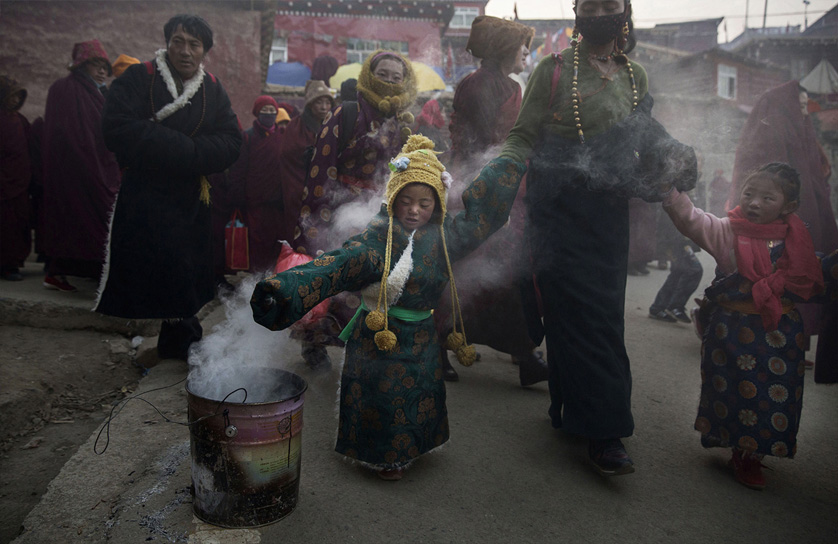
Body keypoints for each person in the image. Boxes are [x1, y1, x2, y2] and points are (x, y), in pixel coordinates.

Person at [485, 0, 697, 475]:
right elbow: (523, 135)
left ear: (625, 11)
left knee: (600, 317)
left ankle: (587, 421)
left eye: (610, 4)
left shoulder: (635, 74)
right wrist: (499, 169)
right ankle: (590, 422)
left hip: (607, 212)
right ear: (577, 10)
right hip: (555, 208)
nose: (600, 11)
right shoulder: (552, 69)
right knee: (569, 312)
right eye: (591, 4)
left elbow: (644, 130)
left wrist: (673, 151)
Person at [251, 135, 526, 480]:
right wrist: (284, 290)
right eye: (406, 201)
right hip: (378, 336)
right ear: (393, 198)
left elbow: (482, 214)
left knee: (420, 395)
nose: (414, 210)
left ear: (437, 204)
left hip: (422, 335)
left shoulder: (445, 237)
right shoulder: (375, 238)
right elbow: (337, 265)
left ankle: (418, 445)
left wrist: (513, 157)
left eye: (424, 204)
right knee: (382, 400)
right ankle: (383, 457)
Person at [661, 162, 835, 490]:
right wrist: (668, 191)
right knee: (735, 393)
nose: (753, 202)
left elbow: (814, 278)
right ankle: (738, 450)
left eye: (768, 198)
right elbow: (692, 219)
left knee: (771, 399)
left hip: (781, 335)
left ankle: (752, 457)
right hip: (731, 332)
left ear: (789, 206)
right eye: (749, 193)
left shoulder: (798, 241)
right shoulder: (728, 230)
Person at [95, 14, 242, 361]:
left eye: (194, 44)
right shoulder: (138, 78)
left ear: (205, 50)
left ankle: (181, 341)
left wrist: (190, 154)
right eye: (178, 41)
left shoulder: (213, 89)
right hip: (145, 192)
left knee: (185, 267)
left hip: (190, 195)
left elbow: (231, 142)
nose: (185, 51)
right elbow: (116, 128)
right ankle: (176, 340)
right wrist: (184, 148)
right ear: (167, 43)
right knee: (154, 267)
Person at [290, 51, 417, 370]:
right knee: (327, 277)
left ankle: (360, 341)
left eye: (395, 76)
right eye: (383, 74)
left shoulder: (403, 122)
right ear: (369, 75)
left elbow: (398, 167)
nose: (388, 81)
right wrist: (317, 214)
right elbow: (322, 162)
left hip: (374, 211)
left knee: (370, 281)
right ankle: (314, 342)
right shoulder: (345, 113)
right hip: (334, 208)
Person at [438, 15, 547, 384]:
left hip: (506, 187)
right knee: (469, 270)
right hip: (479, 187)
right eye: (524, 47)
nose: (528, 55)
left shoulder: (506, 84)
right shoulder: (481, 84)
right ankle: (437, 344)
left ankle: (522, 351)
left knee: (505, 272)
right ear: (506, 50)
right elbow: (481, 144)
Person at [728, 81, 838, 375]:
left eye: (806, 108)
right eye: (800, 107)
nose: (805, 114)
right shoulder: (773, 129)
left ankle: (795, 343)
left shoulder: (802, 133)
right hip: (775, 221)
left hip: (802, 216)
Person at [41, 39, 121, 292]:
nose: (100, 71)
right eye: (94, 65)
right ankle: (57, 273)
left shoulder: (99, 93)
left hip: (100, 162)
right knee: (79, 219)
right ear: (80, 66)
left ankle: (92, 272)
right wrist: (90, 162)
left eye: (103, 66)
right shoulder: (64, 88)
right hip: (74, 168)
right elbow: (68, 132)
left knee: (96, 220)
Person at [228, 95, 285, 272]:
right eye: (264, 111)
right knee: (257, 241)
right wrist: (238, 196)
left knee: (277, 240)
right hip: (255, 200)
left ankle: (274, 274)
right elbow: (239, 169)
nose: (268, 115)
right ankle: (256, 276)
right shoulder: (248, 137)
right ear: (257, 113)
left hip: (277, 200)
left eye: (272, 111)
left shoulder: (283, 135)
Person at [276, 80, 334, 246]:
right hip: (299, 186)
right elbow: (287, 154)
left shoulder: (333, 125)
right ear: (310, 105)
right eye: (319, 102)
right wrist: (307, 155)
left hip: (327, 188)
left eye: (327, 102)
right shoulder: (296, 126)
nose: (324, 107)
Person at [648, 204, 703, 323]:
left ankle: (661, 307)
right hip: (675, 241)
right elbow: (667, 219)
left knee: (679, 272)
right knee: (693, 270)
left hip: (679, 240)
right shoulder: (673, 193)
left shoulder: (681, 192)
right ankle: (672, 306)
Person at [0, 76, 31, 281]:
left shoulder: (21, 121)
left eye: (18, 96)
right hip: (2, 183)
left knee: (18, 223)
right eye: (11, 96)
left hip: (19, 183)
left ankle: (13, 264)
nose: (14, 100)